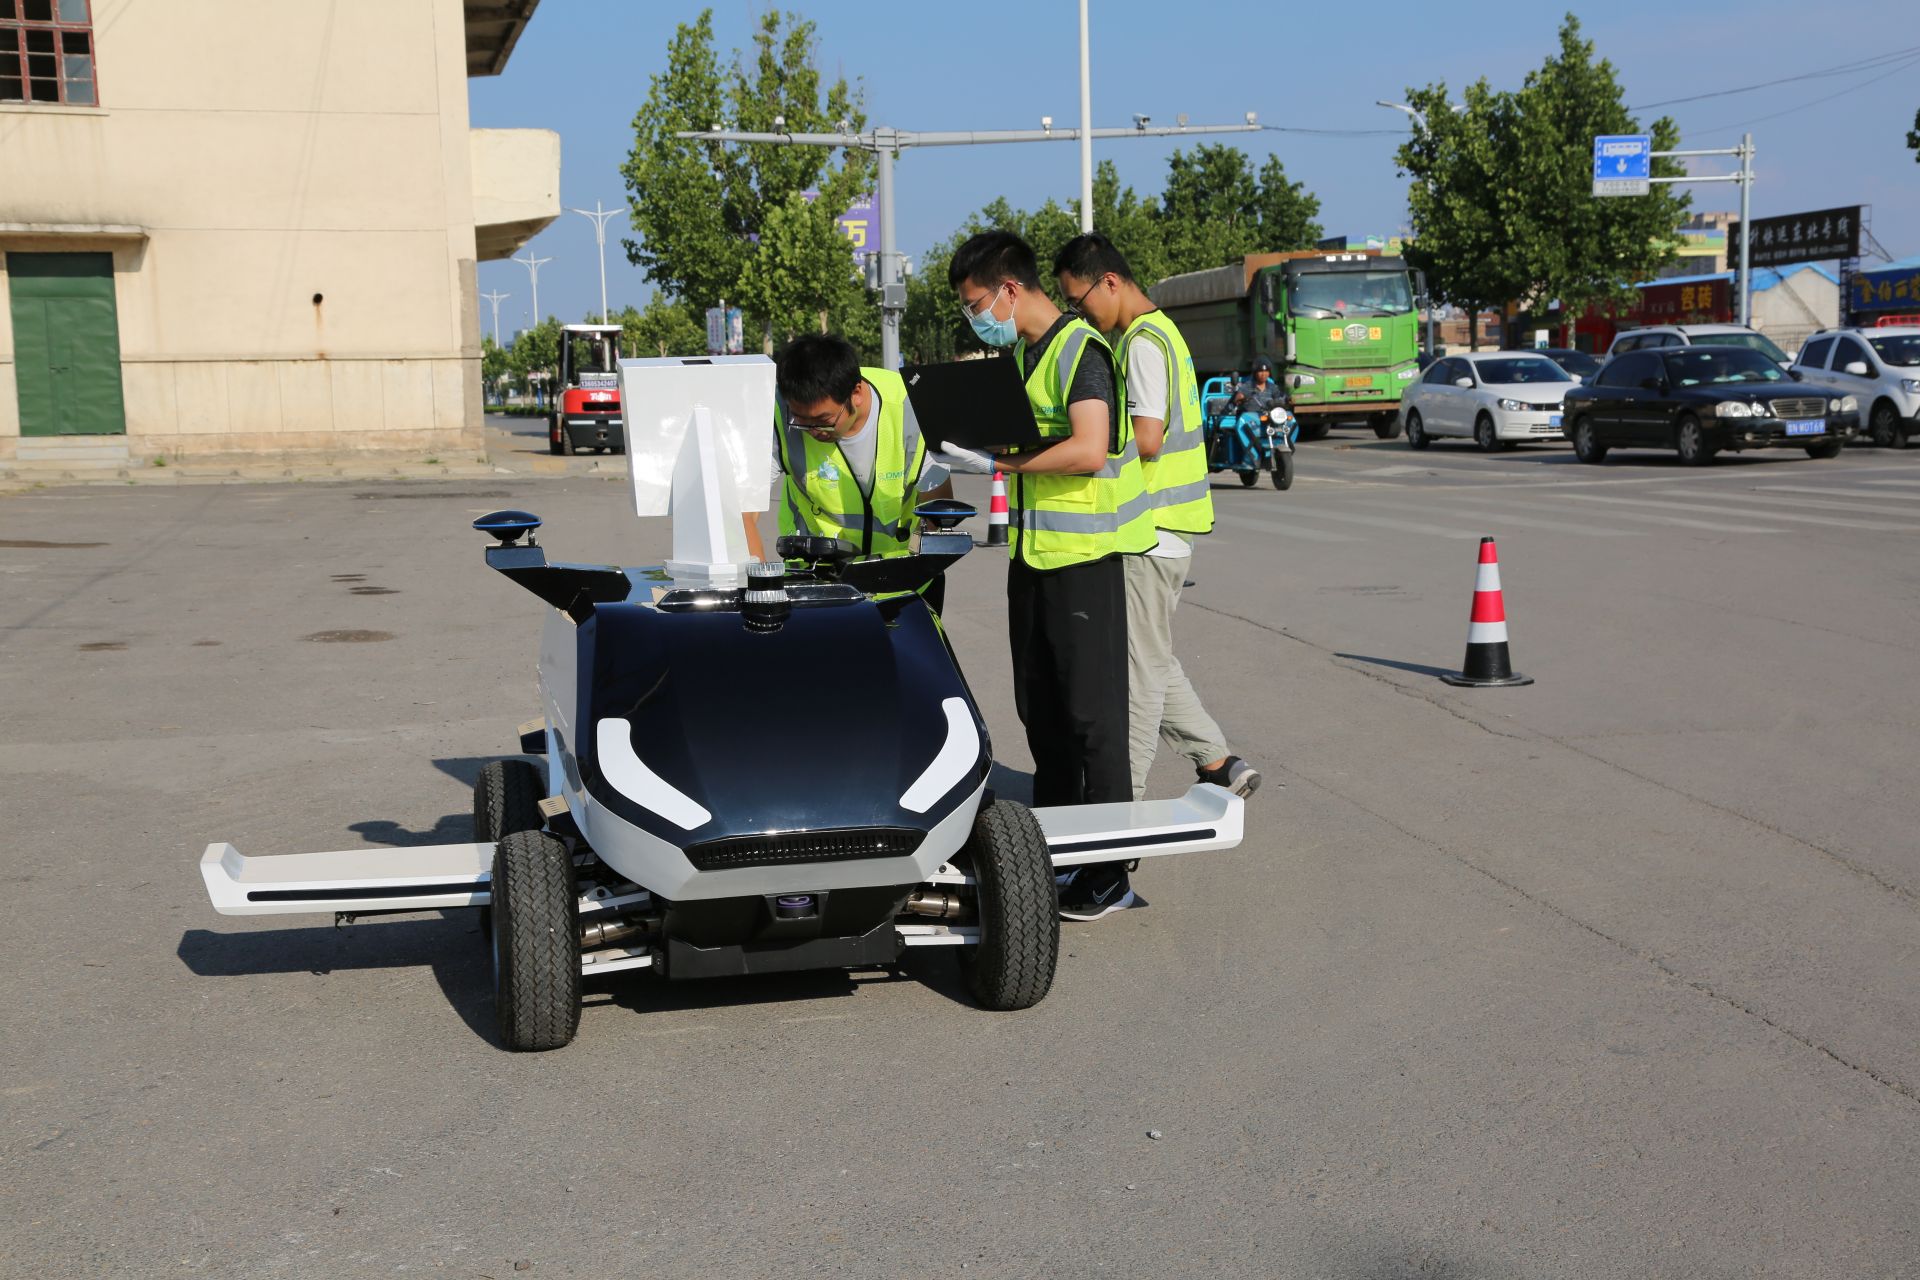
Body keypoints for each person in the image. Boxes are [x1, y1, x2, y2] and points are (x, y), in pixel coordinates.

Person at [944, 230, 1154, 920]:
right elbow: (1033, 437)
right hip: (1035, 560)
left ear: (1008, 288)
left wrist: (1004, 466)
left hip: (1084, 562)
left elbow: (1090, 448)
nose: (975, 316)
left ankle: (1108, 873)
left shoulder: (1080, 350)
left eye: (977, 303)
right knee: (1045, 717)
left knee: (1094, 723)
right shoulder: (1025, 355)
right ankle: (1058, 856)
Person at [1053, 233, 1261, 803]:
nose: (1079, 313)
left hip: (1152, 530)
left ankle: (1123, 816)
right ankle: (1218, 762)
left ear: (1110, 282)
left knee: (1134, 679)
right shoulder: (1161, 334)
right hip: (1167, 528)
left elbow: (1146, 439)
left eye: (1079, 300)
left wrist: (1086, 445)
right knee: (1150, 656)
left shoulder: (1142, 343)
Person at [750, 335, 953, 608]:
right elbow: (743, 511)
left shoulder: (911, 405)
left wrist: (914, 567)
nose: (813, 431)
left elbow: (937, 508)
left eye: (823, 420)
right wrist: (761, 589)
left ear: (855, 393)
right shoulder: (778, 414)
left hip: (904, 584)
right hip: (817, 583)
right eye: (801, 421)